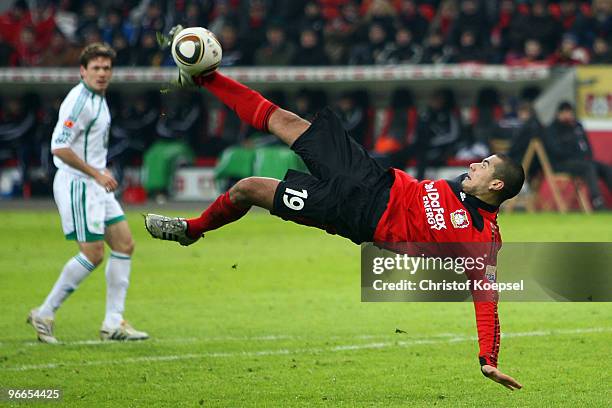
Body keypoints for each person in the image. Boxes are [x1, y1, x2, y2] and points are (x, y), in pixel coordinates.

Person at [146, 34, 524, 390]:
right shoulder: (463, 186)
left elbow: (486, 295)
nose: (474, 165)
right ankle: (207, 78)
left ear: (496, 186)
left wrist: (487, 358)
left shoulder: (480, 240)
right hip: (370, 175)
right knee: (287, 121)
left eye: (484, 165)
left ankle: (191, 230)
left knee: (247, 189)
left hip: (353, 214)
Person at [28, 43, 148, 343]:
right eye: (95, 68)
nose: (102, 73)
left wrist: (99, 171)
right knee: (93, 254)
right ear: (83, 71)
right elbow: (59, 146)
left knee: (124, 244)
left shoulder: (98, 98)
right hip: (79, 184)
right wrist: (96, 173)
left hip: (95, 183)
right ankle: (44, 313)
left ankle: (113, 322)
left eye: (106, 68)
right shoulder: (80, 101)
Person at [544, 102, 612, 210]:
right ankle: (597, 202)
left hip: (580, 161)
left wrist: (584, 156)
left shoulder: (577, 127)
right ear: (558, 114)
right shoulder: (551, 129)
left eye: (569, 112)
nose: (567, 115)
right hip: (561, 164)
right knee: (589, 167)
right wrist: (576, 154)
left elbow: (588, 148)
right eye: (564, 112)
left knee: (606, 168)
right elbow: (556, 152)